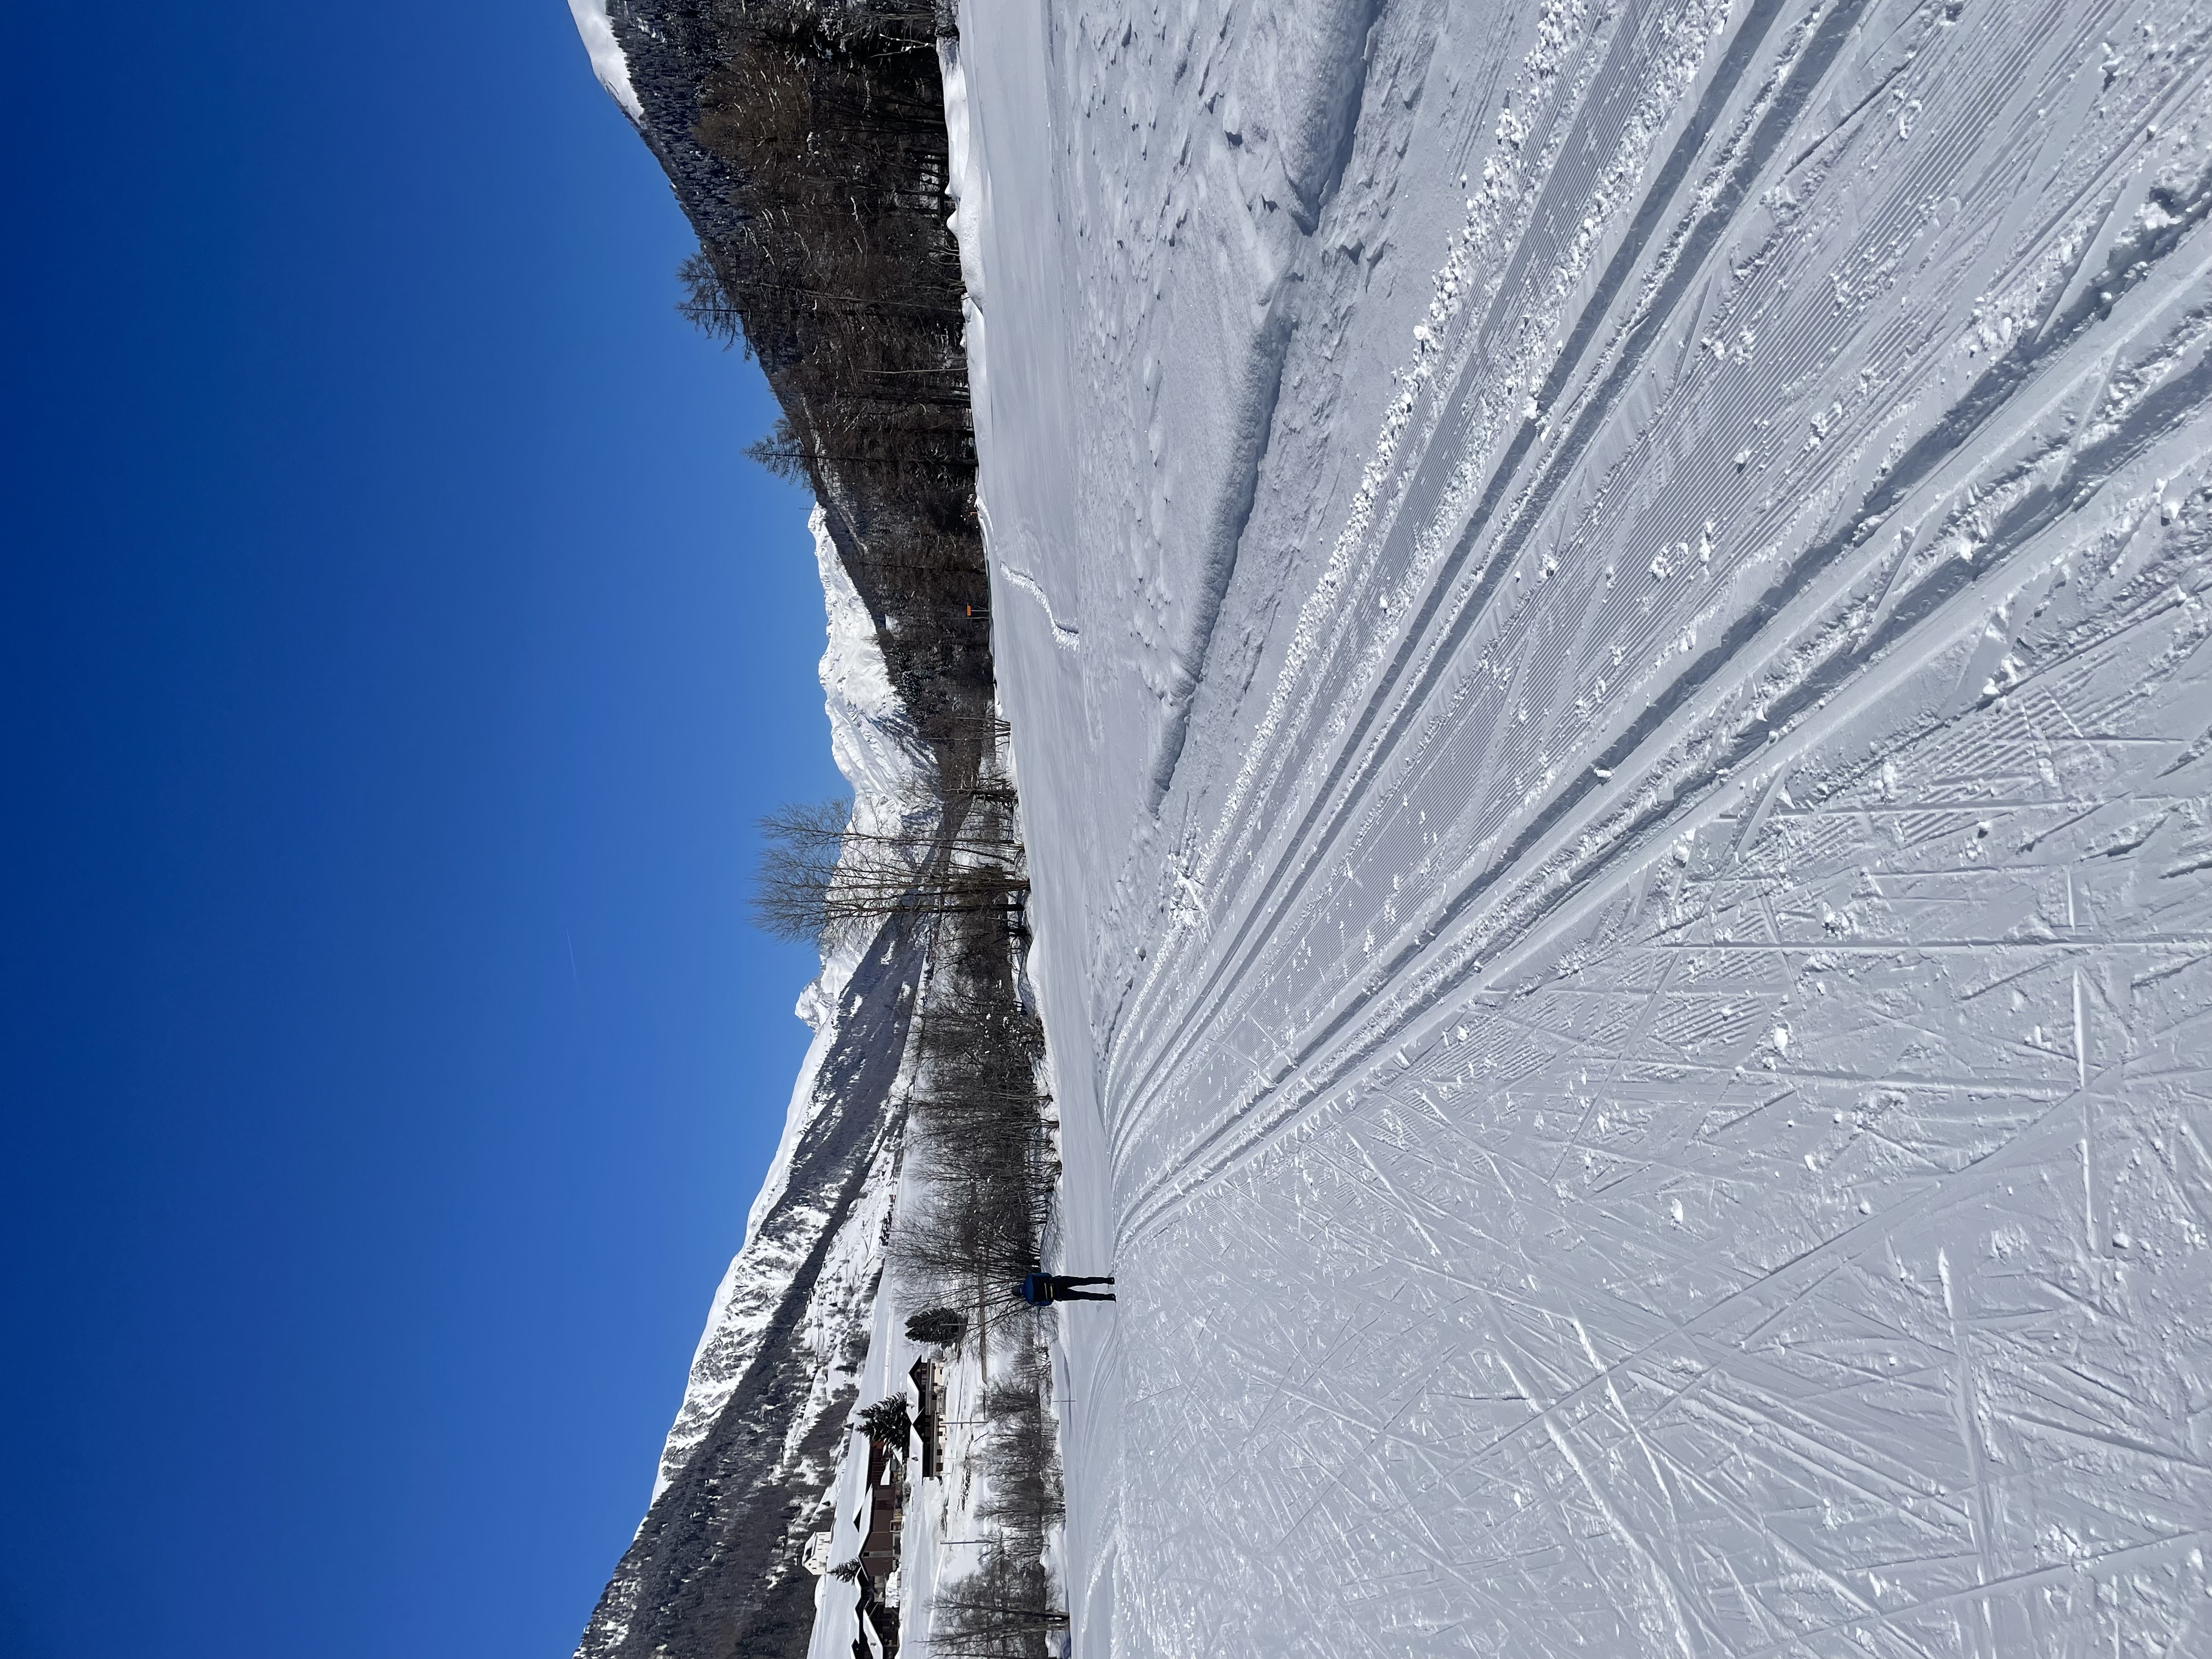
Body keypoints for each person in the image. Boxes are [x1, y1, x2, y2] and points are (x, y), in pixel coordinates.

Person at [1016, 1271, 1115, 1305]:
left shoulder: (1030, 1300)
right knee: (1084, 1281)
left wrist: (1051, 1296)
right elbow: (1047, 1275)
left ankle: (1110, 1297)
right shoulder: (1029, 1278)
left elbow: (1047, 1303)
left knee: (1084, 1295)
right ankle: (1109, 1281)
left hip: (1059, 1295)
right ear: (1019, 1286)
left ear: (1020, 1295)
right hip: (1059, 1282)